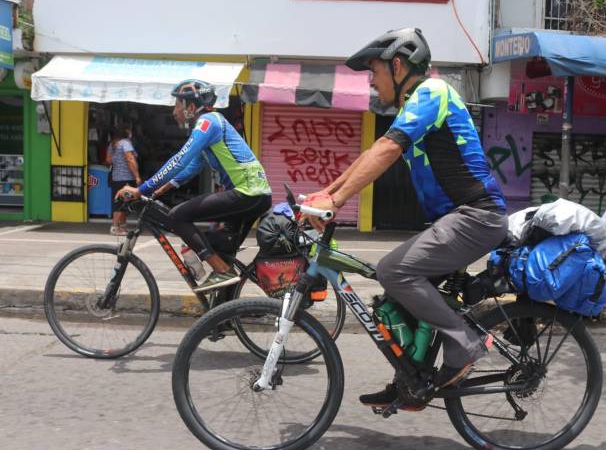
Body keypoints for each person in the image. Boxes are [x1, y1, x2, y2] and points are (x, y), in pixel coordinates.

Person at [302, 28, 508, 407]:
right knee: (394, 301)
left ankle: (464, 343)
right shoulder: (414, 106)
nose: (372, 83)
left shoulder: (433, 93)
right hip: (454, 222)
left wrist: (335, 201)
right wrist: (327, 195)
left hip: (477, 217)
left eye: (375, 73)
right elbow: (372, 154)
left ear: (398, 66)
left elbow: (386, 149)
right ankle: (413, 385)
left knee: (393, 270)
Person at [116, 79, 272, 292]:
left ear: (191, 106)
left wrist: (141, 190)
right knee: (223, 250)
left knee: (177, 216)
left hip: (248, 193)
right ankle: (223, 319)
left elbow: (180, 159)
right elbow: (191, 167)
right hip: (255, 196)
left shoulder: (208, 122)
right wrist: (161, 190)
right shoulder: (213, 127)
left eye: (177, 104)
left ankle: (220, 270)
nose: (174, 111)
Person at [105, 125, 141, 236]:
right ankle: (115, 227)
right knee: (122, 202)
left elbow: (108, 160)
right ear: (125, 133)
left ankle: (121, 225)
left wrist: (118, 161)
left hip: (116, 177)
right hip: (126, 177)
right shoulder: (125, 143)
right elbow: (130, 159)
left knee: (121, 201)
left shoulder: (113, 144)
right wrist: (137, 176)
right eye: (129, 131)